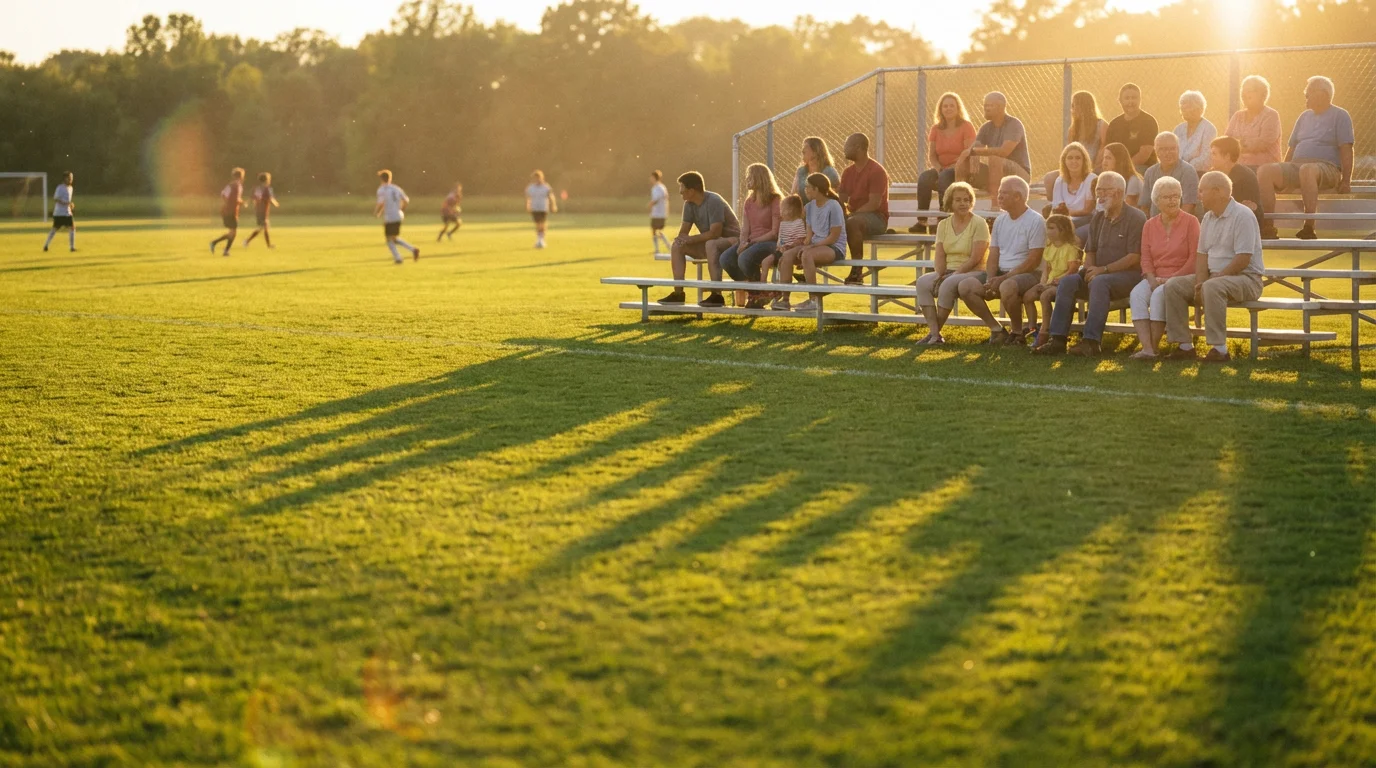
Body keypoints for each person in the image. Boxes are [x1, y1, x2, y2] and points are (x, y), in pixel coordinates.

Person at [1033, 172, 1146, 357]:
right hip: (1100, 274)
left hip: (1127, 276)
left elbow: (1134, 257)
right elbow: (1090, 251)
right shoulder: (1099, 218)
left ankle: (1091, 342)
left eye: (1103, 190)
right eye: (1097, 190)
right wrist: (1090, 269)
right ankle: (1058, 340)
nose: (1098, 195)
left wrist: (1102, 270)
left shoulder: (1136, 217)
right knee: (1068, 282)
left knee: (1099, 283)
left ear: (1118, 193)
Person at [1161, 171, 1265, 363]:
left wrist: (1215, 279)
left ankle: (1220, 349)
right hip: (1214, 277)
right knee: (1173, 285)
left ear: (1218, 191)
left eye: (1202, 190)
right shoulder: (1208, 217)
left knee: (1212, 286)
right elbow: (1202, 255)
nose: (1198, 195)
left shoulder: (1243, 215)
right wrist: (1200, 283)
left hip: (1247, 278)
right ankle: (1184, 346)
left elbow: (1243, 258)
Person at [1258, 75, 1355, 240]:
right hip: (1299, 167)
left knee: (1307, 170)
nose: (1306, 97)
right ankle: (1268, 226)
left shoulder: (1340, 115)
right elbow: (1292, 148)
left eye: (1308, 93)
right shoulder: (1304, 116)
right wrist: (1284, 171)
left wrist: (1346, 180)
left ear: (1321, 94)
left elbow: (1346, 149)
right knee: (1265, 170)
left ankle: (1309, 226)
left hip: (1327, 168)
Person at [955, 175, 1044, 344]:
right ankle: (997, 330)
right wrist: (989, 279)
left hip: (1029, 274)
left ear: (1017, 196)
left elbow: (1033, 260)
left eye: (1004, 193)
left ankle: (1017, 333)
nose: (999, 197)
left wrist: (1003, 278)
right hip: (1001, 274)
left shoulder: (1036, 220)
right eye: (999, 192)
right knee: (965, 286)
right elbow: (993, 253)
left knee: (1007, 286)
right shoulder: (1000, 220)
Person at [1127, 176, 1200, 361]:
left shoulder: (1191, 222)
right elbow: (1146, 257)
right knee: (1137, 294)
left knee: (1160, 294)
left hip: (1182, 278)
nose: (1173, 200)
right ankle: (1148, 349)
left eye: (1176, 196)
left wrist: (1171, 279)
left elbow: (1194, 259)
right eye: (1167, 197)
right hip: (1155, 276)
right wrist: (1151, 278)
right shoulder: (1149, 225)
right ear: (1156, 200)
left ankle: (1151, 348)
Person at [914, 182, 990, 345]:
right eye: (958, 200)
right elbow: (940, 255)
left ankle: (933, 335)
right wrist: (940, 274)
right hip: (948, 271)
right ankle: (935, 334)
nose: (963, 203)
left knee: (948, 284)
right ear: (950, 202)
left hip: (974, 272)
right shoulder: (943, 224)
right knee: (922, 282)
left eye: (966, 199)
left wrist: (952, 275)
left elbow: (976, 257)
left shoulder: (979, 223)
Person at [658, 171, 740, 307]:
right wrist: (681, 239)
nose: (680, 193)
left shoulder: (714, 201)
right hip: (710, 244)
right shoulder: (689, 204)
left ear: (692, 190)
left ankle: (716, 295)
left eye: (682, 189)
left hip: (732, 243)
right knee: (677, 246)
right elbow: (684, 233)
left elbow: (715, 233)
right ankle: (678, 293)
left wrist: (690, 239)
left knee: (711, 244)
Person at [774, 173, 848, 313]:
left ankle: (813, 300)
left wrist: (811, 247)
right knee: (788, 255)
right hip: (814, 246)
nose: (805, 189)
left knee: (807, 255)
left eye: (808, 187)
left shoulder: (833, 206)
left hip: (833, 247)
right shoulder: (809, 207)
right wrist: (796, 246)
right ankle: (784, 300)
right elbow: (808, 237)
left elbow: (833, 236)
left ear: (817, 189)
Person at [956, 92, 1032, 213]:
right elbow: (975, 149)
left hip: (1020, 174)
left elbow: (1004, 152)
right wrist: (967, 156)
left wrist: (975, 151)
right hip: (995, 172)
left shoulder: (1014, 124)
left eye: (990, 105)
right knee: (964, 161)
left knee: (994, 158)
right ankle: (960, 205)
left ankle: (996, 207)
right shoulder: (986, 127)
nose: (986, 108)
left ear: (1001, 107)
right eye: (985, 105)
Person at [912, 92, 976, 234]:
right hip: (942, 168)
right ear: (940, 109)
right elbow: (932, 155)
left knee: (945, 176)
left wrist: (953, 167)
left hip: (960, 168)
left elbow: (968, 153)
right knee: (924, 178)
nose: (948, 108)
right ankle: (922, 222)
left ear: (958, 108)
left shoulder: (966, 126)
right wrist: (938, 168)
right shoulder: (936, 128)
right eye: (945, 106)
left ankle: (943, 217)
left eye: (951, 106)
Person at [720, 163, 781, 309]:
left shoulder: (775, 199)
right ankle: (756, 292)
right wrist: (742, 243)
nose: (747, 179)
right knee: (726, 259)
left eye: (750, 176)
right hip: (752, 242)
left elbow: (775, 232)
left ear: (759, 179)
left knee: (744, 258)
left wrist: (751, 242)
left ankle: (759, 293)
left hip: (770, 242)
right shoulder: (749, 202)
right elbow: (745, 230)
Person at [837, 133, 890, 285]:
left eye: (847, 146)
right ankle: (811, 266)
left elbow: (873, 204)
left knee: (852, 222)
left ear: (858, 147)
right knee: (829, 219)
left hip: (877, 218)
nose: (844, 149)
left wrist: (850, 215)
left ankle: (857, 270)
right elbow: (842, 200)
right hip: (855, 217)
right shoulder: (847, 172)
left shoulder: (876, 171)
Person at [1025, 214, 1081, 349]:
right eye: (1047, 228)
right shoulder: (1049, 247)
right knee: (1028, 296)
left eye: (1052, 228)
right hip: (1050, 282)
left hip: (1063, 283)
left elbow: (1072, 270)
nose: (1048, 231)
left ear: (1063, 230)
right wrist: (1043, 283)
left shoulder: (1070, 248)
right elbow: (1047, 269)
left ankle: (1045, 331)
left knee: (1045, 296)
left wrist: (1057, 281)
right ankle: (1032, 327)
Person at [1041, 90, 1109, 194]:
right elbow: (1069, 151)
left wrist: (1091, 167)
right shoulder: (1072, 129)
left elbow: (1104, 148)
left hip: (1095, 168)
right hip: (1075, 167)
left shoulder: (1101, 125)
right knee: (1049, 179)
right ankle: (1056, 207)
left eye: (1074, 105)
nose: (1072, 109)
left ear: (1083, 107)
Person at [1225, 75, 1283, 170]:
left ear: (1263, 95)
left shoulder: (1271, 115)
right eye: (1243, 90)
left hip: (1263, 166)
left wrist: (1238, 145)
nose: (1244, 94)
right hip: (1237, 165)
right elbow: (1227, 142)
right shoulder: (1237, 115)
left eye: (1250, 90)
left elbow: (1262, 144)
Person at [760, 195, 807, 305]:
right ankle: (762, 289)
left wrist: (790, 247)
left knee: (782, 264)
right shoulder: (783, 224)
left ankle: (782, 292)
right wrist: (779, 246)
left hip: (790, 251)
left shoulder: (799, 223)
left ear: (790, 210)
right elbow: (781, 239)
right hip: (781, 250)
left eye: (782, 209)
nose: (780, 211)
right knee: (765, 262)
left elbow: (801, 240)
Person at [1209, 136, 1262, 229]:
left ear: (1227, 157)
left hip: (1245, 225)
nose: (1210, 157)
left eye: (1214, 154)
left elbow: (1245, 210)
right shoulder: (1213, 175)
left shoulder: (1245, 177)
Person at [1141, 132, 1198, 217]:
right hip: (1155, 224)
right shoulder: (1150, 172)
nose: (1168, 152)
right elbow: (1145, 205)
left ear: (1178, 149)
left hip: (1180, 224)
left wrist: (1172, 226)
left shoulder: (1187, 171)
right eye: (1163, 149)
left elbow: (1189, 206)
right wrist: (1151, 225)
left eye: (1172, 148)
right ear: (1156, 151)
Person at [1048, 142, 1097, 242]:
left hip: (1088, 220)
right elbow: (1057, 209)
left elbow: (1087, 210)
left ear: (1084, 161)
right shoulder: (1059, 180)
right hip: (1065, 221)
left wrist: (1066, 212)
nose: (1074, 161)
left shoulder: (1092, 179)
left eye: (1078, 158)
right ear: (1064, 161)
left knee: (1069, 235)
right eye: (1070, 158)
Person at [1106, 83, 1159, 173]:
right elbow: (1109, 151)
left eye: (1134, 98)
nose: (1130, 102)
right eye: (1127, 98)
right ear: (1120, 101)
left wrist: (1124, 169)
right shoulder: (1114, 124)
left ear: (1140, 100)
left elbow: (1144, 154)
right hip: (1117, 168)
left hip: (1142, 167)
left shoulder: (1148, 121)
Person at [374, 169, 418, 264]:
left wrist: (376, 212)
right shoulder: (396, 188)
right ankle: (413, 250)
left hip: (390, 217)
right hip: (398, 216)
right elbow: (406, 200)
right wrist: (401, 209)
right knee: (394, 238)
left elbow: (381, 203)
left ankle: (398, 258)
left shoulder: (382, 189)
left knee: (389, 239)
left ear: (381, 179)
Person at [1174, 90, 1217, 174]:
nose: (1183, 110)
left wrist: (1185, 168)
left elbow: (1206, 157)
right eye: (1182, 107)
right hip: (1177, 170)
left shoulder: (1209, 129)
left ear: (1199, 109)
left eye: (1187, 107)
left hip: (1198, 172)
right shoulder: (1178, 129)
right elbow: (1173, 150)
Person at [209, 168, 246, 257]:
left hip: (228, 211)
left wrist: (230, 202)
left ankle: (223, 249)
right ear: (241, 177)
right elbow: (236, 199)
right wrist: (241, 203)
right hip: (231, 212)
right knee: (233, 232)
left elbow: (223, 195)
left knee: (232, 232)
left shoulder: (230, 185)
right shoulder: (238, 186)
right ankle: (216, 244)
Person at [1101, 142, 1144, 209]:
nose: (1104, 162)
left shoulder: (1133, 180)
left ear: (1119, 160)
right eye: (1104, 158)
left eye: (1108, 158)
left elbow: (1129, 207)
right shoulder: (1108, 180)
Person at [243, 172, 279, 249]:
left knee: (263, 228)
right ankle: (248, 241)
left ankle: (247, 241)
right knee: (264, 227)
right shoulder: (268, 189)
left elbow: (252, 198)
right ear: (266, 180)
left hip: (258, 210)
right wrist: (276, 204)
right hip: (263, 211)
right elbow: (270, 198)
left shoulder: (257, 189)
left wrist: (247, 203)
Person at [42, 171, 76, 252]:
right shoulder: (60, 187)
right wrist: (67, 203)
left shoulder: (71, 188)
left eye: (72, 178)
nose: (71, 179)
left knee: (72, 228)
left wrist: (70, 205)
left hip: (67, 213)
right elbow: (56, 199)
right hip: (59, 213)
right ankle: (46, 245)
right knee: (54, 229)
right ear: (65, 178)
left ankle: (72, 247)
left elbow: (67, 200)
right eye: (69, 178)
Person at [525, 170, 557, 248]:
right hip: (535, 208)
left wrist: (553, 205)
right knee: (537, 224)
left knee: (542, 224)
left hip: (543, 208)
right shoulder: (531, 187)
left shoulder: (546, 187)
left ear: (541, 178)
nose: (537, 180)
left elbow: (551, 196)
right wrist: (528, 206)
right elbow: (528, 198)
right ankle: (539, 239)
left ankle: (541, 240)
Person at [649, 171, 671, 255]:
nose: (650, 179)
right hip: (661, 213)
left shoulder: (657, 188)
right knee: (657, 230)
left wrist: (650, 204)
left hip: (658, 213)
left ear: (654, 177)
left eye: (651, 177)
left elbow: (656, 199)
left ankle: (663, 248)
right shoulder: (662, 187)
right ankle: (666, 247)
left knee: (656, 231)